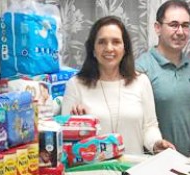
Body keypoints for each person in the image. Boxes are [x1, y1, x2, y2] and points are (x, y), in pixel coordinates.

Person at [61, 16, 174, 156]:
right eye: (102, 42)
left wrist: (156, 144)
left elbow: (149, 127)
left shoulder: (141, 81)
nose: (109, 48)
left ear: (124, 48)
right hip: (92, 173)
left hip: (132, 171)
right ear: (93, 50)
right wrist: (78, 125)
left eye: (116, 42)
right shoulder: (76, 85)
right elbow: (65, 140)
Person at [135, 0, 190, 160]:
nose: (180, 31)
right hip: (153, 163)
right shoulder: (141, 68)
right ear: (158, 28)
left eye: (185, 25)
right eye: (174, 24)